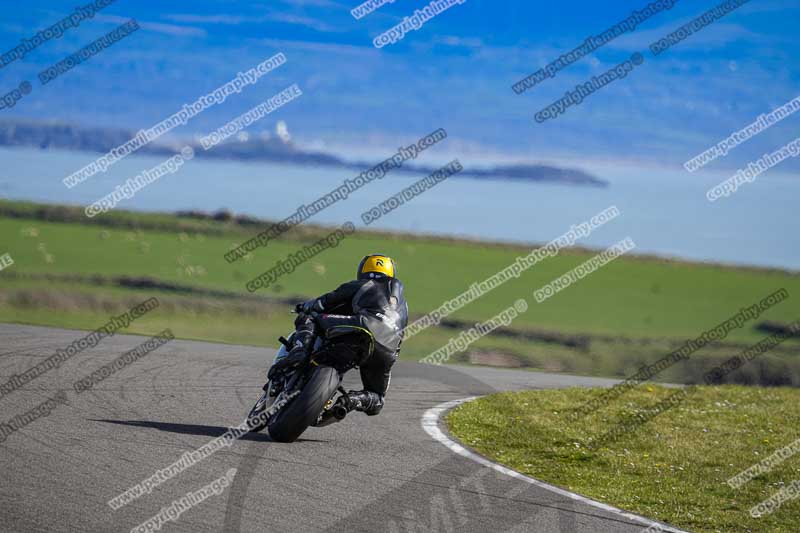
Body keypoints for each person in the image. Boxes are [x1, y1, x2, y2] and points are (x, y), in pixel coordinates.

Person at [268, 254, 408, 418]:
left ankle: (299, 352)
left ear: (363, 270)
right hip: (387, 348)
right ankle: (353, 400)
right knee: (376, 399)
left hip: (362, 325)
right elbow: (400, 336)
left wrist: (304, 306)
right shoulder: (403, 305)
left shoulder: (363, 284)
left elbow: (323, 303)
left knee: (309, 318)